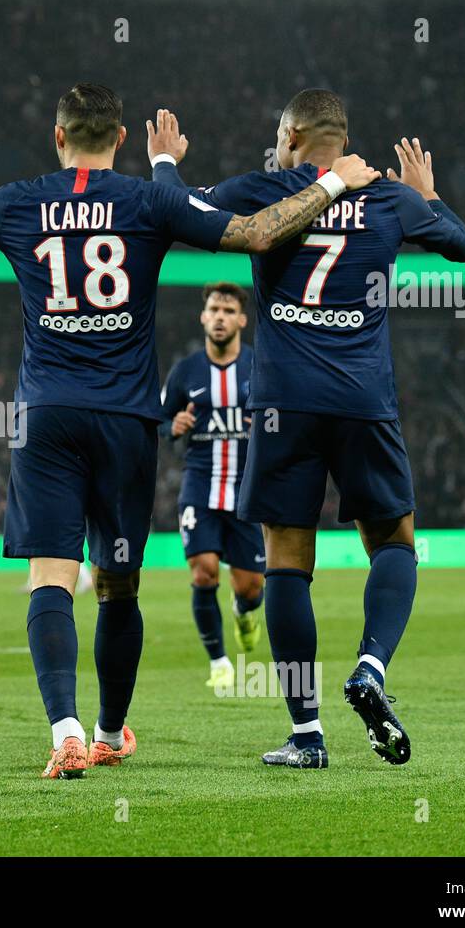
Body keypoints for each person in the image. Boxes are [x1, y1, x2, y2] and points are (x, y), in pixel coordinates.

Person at [0, 82, 379, 778]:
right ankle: (108, 732)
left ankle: (64, 730)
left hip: (46, 415)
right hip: (127, 422)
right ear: (122, 138)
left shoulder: (18, 200)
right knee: (118, 584)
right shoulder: (148, 200)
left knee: (51, 576)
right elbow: (256, 232)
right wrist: (335, 183)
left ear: (58, 135)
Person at [149, 90, 465, 767]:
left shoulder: (266, 188)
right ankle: (372, 668)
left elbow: (176, 212)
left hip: (284, 403)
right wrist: (428, 197)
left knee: (287, 564)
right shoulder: (390, 198)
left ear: (293, 134)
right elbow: (463, 247)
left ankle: (307, 736)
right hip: (364, 400)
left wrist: (165, 162)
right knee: (394, 543)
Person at [159, 282, 264, 689]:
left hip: (247, 491)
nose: (219, 317)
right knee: (203, 573)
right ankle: (219, 661)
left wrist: (267, 428)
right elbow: (159, 418)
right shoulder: (186, 370)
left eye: (227, 310)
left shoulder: (259, 365)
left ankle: (243, 609)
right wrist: (173, 426)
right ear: (203, 317)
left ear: (241, 319)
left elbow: (281, 418)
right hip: (200, 485)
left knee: (251, 585)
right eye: (213, 309)